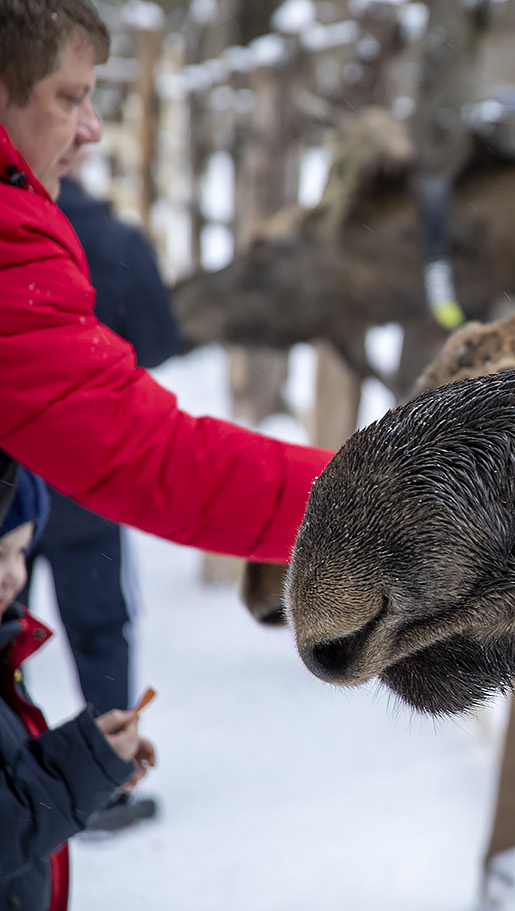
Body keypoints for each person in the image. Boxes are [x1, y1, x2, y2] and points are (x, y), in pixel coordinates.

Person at [0, 0, 332, 565]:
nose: (93, 130)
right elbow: (147, 456)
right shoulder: (18, 241)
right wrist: (380, 499)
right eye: (69, 97)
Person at [16, 168, 182, 831]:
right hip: (90, 481)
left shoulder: (16, 246)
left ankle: (16, 780)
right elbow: (165, 340)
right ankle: (108, 783)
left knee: (7, 643)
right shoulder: (116, 238)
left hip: (13, 492)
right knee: (101, 631)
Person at [0, 463, 156, 911]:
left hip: (27, 485)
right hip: (82, 486)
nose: (16, 571)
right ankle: (108, 788)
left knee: (13, 636)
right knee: (94, 630)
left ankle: (102, 766)